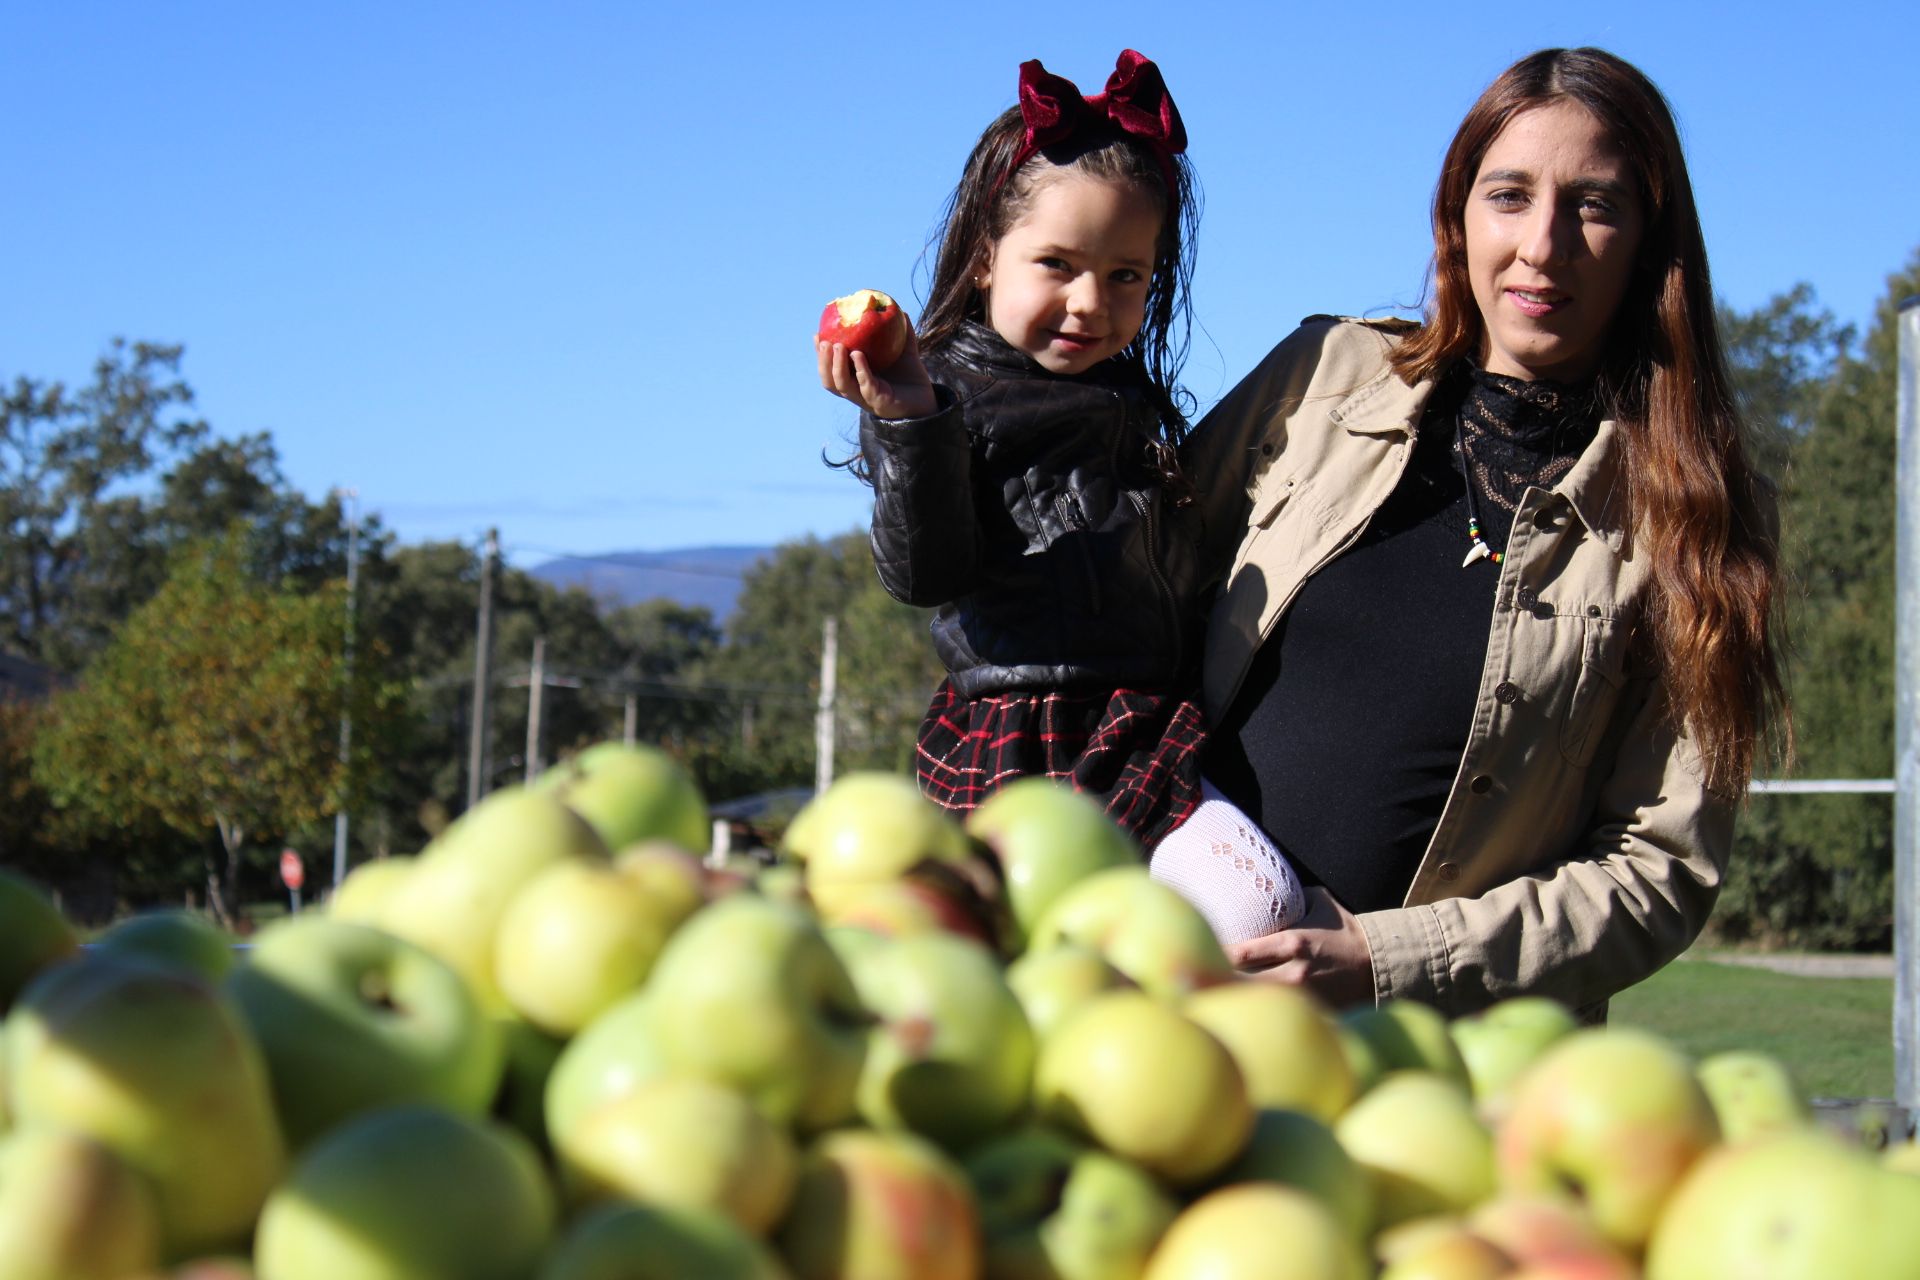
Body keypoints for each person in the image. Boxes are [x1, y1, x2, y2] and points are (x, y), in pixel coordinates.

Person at [1184, 47, 1788, 1018]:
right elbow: (1127, 591)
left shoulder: (1701, 518)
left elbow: (1658, 867)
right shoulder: (1323, 376)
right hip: (1177, 985)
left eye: (1594, 205)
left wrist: (1384, 958)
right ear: (1457, 217)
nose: (1544, 245)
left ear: (1650, 239)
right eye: (1510, 194)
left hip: (1447, 1066)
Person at [818, 50, 1306, 941]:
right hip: (1018, 729)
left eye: (1126, 275)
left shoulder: (1131, 401)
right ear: (984, 261)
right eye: (1057, 264)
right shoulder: (936, 395)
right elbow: (924, 572)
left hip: (1142, 721)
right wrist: (909, 421)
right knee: (1011, 945)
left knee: (1256, 903)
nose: (1090, 303)